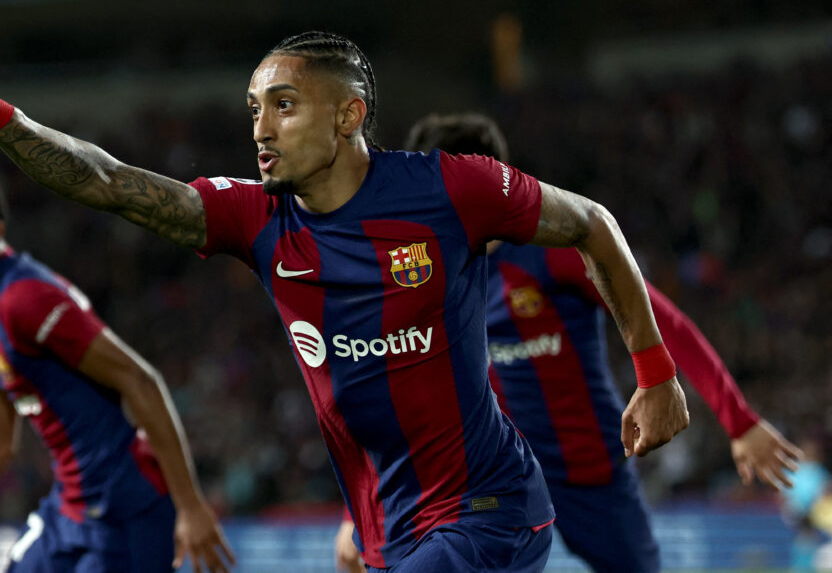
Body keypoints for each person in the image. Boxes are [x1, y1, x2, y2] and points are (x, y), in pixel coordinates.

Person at [0, 33, 691, 572]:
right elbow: (110, 181)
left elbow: (594, 224)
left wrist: (655, 374)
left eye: (283, 104)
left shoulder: (449, 187)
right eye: (254, 107)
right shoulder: (258, 219)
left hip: (487, 511)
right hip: (385, 525)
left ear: (348, 114)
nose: (260, 127)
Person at [332, 112, 801, 573]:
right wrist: (358, 513)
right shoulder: (418, 278)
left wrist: (739, 421)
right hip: (484, 483)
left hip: (589, 474)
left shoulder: (552, 254)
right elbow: (396, 403)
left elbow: (665, 323)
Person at [0, 166, 234, 573]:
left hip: (127, 510)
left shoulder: (25, 299)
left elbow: (140, 379)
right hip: (71, 508)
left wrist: (191, 506)